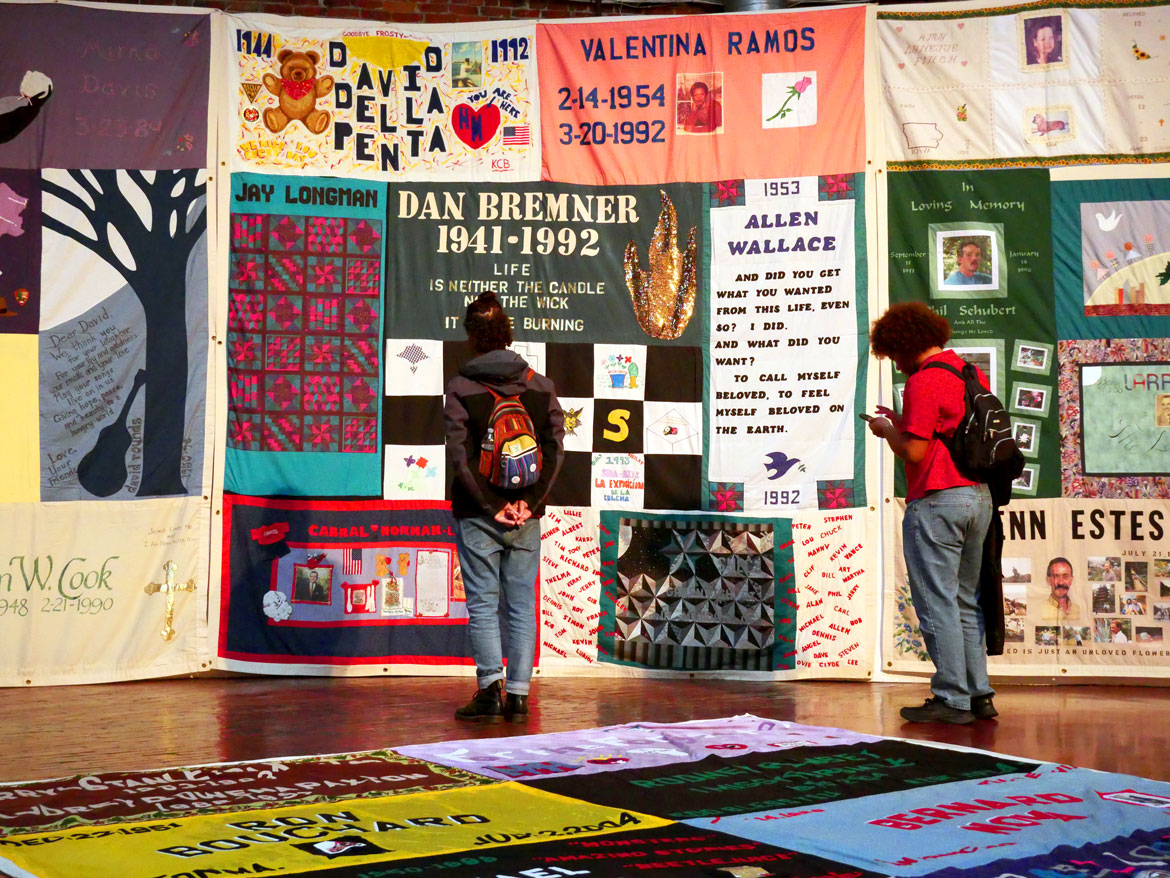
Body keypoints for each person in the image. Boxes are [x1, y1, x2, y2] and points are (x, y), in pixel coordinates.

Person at [867, 302, 995, 724]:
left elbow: (916, 451)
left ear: (903, 345)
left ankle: (951, 697)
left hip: (939, 500)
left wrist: (889, 432)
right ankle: (979, 694)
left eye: (894, 354)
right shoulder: (967, 372)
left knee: (936, 602)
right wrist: (902, 420)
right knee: (964, 602)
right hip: (977, 498)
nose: (897, 365)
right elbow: (942, 430)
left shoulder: (925, 381)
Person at [445, 291, 564, 724]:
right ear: (508, 332)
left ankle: (489, 692)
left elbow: (460, 457)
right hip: (525, 515)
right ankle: (518, 696)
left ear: (472, 337)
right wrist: (527, 505)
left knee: (482, 604)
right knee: (520, 605)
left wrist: (493, 506)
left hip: (479, 514)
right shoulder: (540, 384)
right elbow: (554, 451)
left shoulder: (460, 387)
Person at [1039, 557, 1080, 622]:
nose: (1061, 582)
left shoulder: (1078, 610)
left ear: (1071, 580)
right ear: (1048, 580)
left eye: (1065, 576)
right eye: (1056, 576)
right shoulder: (1039, 611)